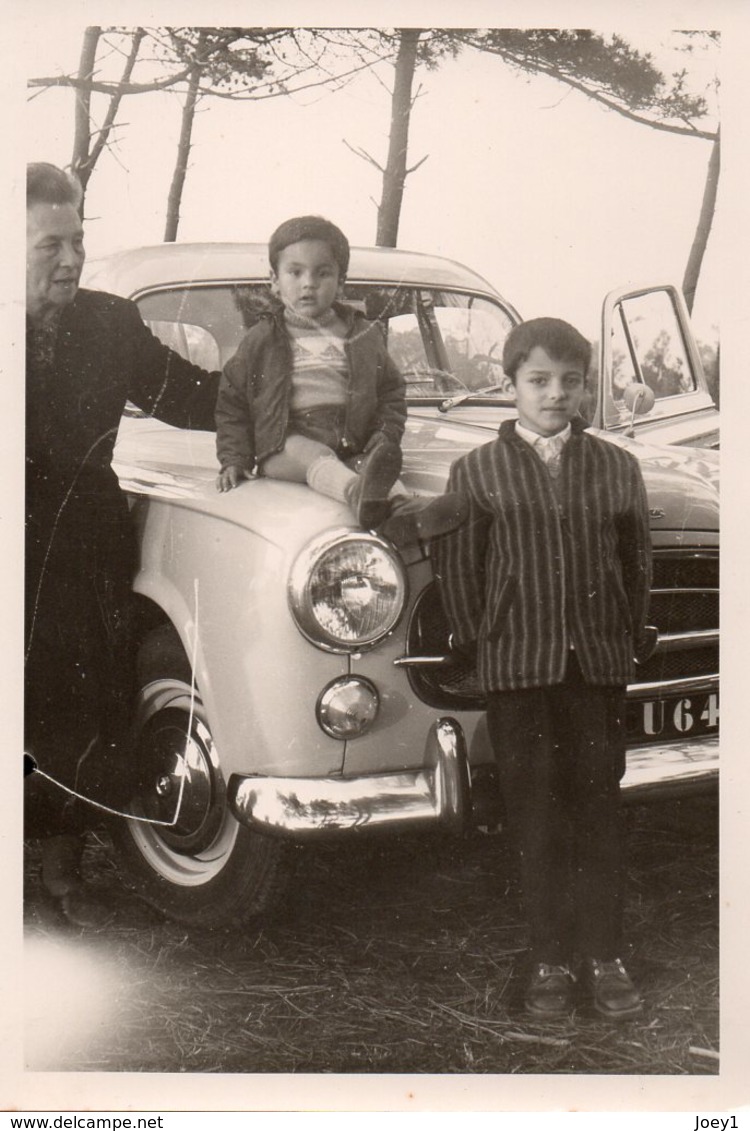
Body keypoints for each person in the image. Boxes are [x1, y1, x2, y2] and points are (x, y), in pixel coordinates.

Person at [433, 317, 654, 1020]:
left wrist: (623, 633)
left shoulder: (617, 467)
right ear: (510, 385)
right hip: (518, 669)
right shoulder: (477, 471)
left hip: (594, 666)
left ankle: (605, 954)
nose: (555, 394)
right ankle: (551, 960)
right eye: (538, 380)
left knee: (598, 809)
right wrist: (479, 636)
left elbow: (636, 562)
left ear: (586, 386)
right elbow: (461, 570)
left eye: (569, 380)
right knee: (537, 817)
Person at [25, 162, 221, 926]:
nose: (71, 260)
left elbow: (193, 397)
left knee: (82, 705)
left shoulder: (109, 323)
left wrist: (290, 397)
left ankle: (61, 875)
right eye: (50, 246)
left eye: (77, 241)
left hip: (81, 542)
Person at [215, 214, 466, 546]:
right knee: (316, 456)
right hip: (284, 445)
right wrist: (235, 459)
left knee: (373, 465)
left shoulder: (362, 333)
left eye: (323, 273)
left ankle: (404, 513)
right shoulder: (262, 340)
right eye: (295, 272)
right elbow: (232, 401)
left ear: (341, 281)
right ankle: (355, 493)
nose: (309, 283)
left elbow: (391, 390)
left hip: (352, 440)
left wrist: (384, 435)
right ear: (274, 281)